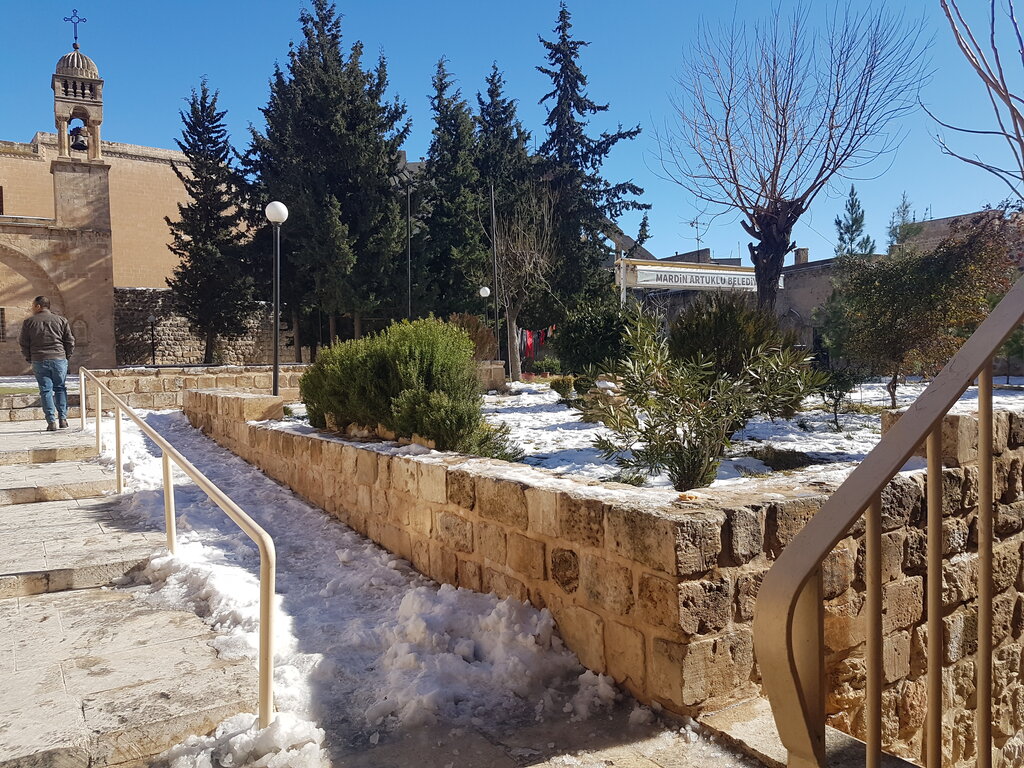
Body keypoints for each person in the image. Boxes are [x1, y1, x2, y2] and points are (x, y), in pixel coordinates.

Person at [19, 296, 75, 432]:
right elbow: (69, 341)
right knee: (60, 388)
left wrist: (29, 358)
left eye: (33, 305)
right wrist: (66, 356)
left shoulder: (29, 322)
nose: (32, 308)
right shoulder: (61, 320)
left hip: (39, 359)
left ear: (38, 306)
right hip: (59, 359)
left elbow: (24, 343)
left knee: (45, 391)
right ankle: (63, 418)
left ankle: (51, 421)